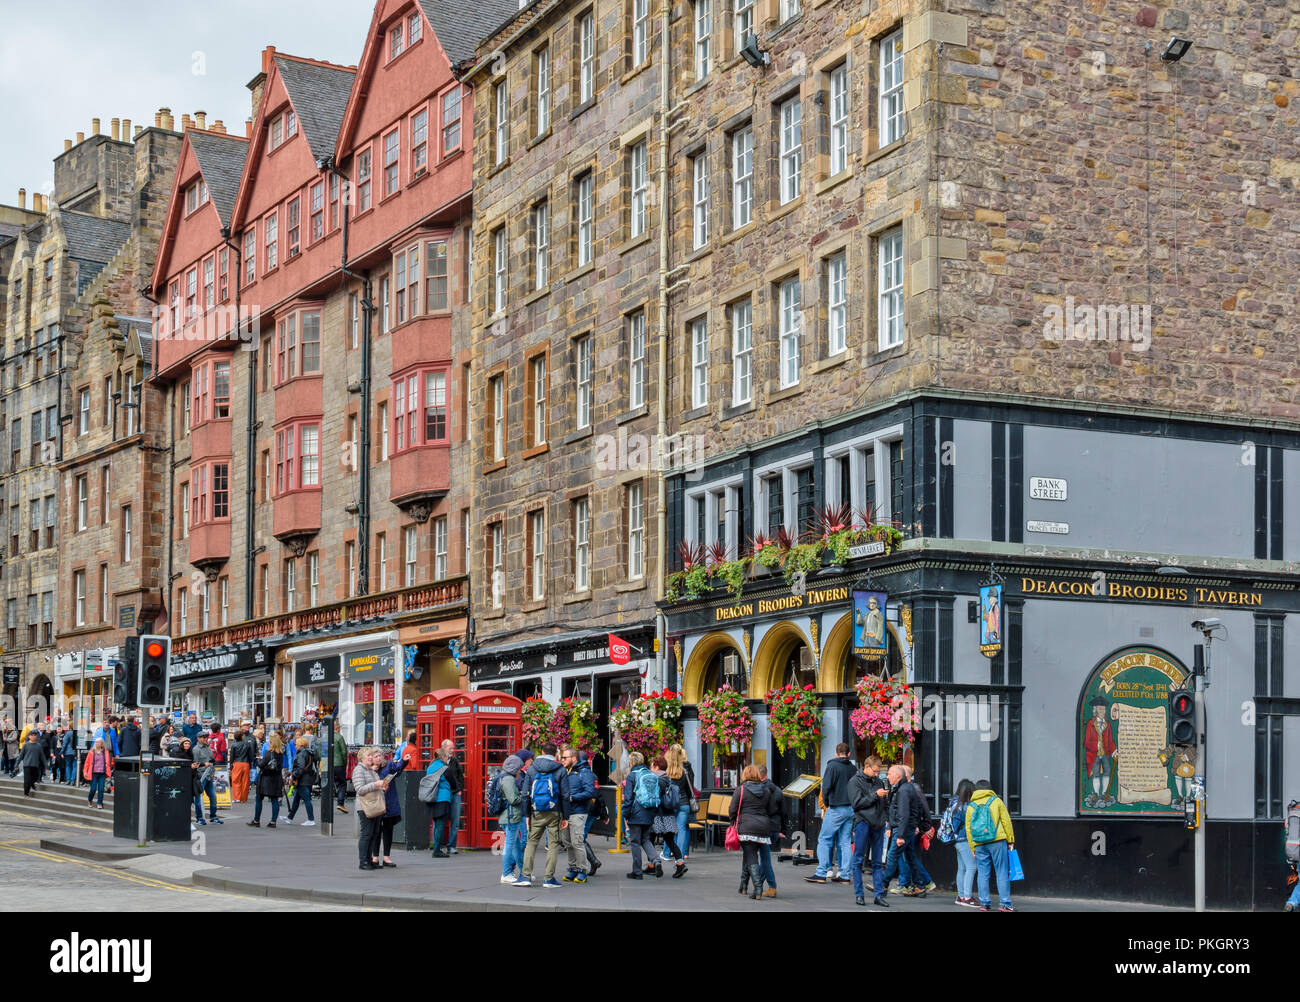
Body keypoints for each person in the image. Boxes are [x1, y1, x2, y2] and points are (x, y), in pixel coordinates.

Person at [516, 741, 571, 888]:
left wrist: (526, 814)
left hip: (536, 811)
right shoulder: (560, 769)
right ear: (555, 754)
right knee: (553, 845)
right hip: (555, 811)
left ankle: (525, 876)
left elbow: (525, 794)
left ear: (541, 752)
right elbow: (566, 795)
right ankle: (549, 879)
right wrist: (566, 816)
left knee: (531, 843)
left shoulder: (532, 769)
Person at [728, 764, 782, 900]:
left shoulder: (740, 790)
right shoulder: (766, 791)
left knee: (751, 855)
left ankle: (758, 888)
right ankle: (744, 885)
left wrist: (733, 822)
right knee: (749, 854)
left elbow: (732, 810)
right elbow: (771, 810)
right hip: (764, 828)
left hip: (747, 827)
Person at [806, 742, 857, 884]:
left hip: (836, 807)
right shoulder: (853, 768)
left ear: (836, 753)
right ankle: (845, 875)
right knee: (845, 842)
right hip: (850, 808)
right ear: (848, 754)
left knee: (824, 839)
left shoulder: (832, 766)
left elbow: (826, 787)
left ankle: (821, 873)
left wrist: (827, 804)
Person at [965, 779, 1015, 912]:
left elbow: (968, 829)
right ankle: (1005, 903)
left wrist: (972, 847)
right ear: (990, 789)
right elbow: (1006, 821)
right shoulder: (996, 801)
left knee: (983, 873)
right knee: (1002, 872)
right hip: (997, 841)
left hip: (979, 843)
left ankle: (985, 904)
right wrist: (1010, 840)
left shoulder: (971, 806)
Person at [849, 754, 890, 907]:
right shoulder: (854, 782)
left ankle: (878, 895)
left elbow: (885, 804)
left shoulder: (878, 781)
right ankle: (859, 894)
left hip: (878, 824)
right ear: (866, 767)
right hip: (863, 822)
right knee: (858, 859)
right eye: (875, 771)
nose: (877, 774)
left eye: (878, 772)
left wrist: (886, 819)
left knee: (878, 862)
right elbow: (857, 803)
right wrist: (875, 795)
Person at [620, 751, 664, 880]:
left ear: (631, 762)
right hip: (650, 810)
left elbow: (628, 798)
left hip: (636, 812)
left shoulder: (632, 776)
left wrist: (625, 814)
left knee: (635, 841)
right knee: (645, 838)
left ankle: (637, 872)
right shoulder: (651, 774)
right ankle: (656, 860)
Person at [351, 746, 390, 871]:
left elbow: (375, 787)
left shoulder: (372, 771)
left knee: (374, 834)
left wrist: (382, 787)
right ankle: (363, 861)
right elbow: (360, 789)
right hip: (365, 806)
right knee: (366, 834)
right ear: (362, 758)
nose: (371, 757)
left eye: (371, 755)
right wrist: (376, 784)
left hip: (375, 806)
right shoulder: (358, 770)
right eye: (369, 755)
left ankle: (369, 860)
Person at [560, 746, 596, 883]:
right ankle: (573, 868)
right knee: (568, 842)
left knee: (577, 842)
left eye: (565, 758)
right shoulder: (566, 771)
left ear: (573, 758)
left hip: (578, 811)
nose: (562, 760)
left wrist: (572, 797)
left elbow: (590, 792)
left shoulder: (585, 772)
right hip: (566, 812)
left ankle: (582, 870)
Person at [650, 755, 688, 876]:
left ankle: (653, 865)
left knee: (649, 840)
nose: (651, 768)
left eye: (652, 765)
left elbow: (654, 798)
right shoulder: (668, 779)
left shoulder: (657, 779)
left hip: (658, 815)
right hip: (669, 814)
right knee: (670, 840)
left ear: (656, 766)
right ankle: (680, 864)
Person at [497, 752, 529, 884]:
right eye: (519, 767)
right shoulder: (509, 779)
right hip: (510, 816)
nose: (520, 770)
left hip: (510, 816)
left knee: (516, 845)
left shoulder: (504, 777)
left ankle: (523, 871)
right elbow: (513, 799)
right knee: (509, 845)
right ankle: (506, 873)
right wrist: (525, 796)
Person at [944, 779, 977, 907]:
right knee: (971, 867)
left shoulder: (953, 803)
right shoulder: (967, 806)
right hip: (965, 839)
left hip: (956, 840)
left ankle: (961, 895)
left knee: (962, 868)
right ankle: (967, 897)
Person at [374, 750, 408, 867]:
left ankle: (386, 857)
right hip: (376, 804)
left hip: (389, 803)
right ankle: (375, 857)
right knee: (376, 832)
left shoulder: (388, 765)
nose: (379, 758)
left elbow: (398, 769)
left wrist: (404, 761)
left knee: (388, 830)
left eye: (380, 756)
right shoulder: (368, 770)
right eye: (376, 756)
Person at [665, 744, 696, 859]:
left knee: (669, 828)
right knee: (682, 829)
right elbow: (690, 789)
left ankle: (667, 853)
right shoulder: (685, 771)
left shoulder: (667, 771)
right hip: (684, 803)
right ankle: (680, 857)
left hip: (670, 803)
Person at [249, 732, 285, 828]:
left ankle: (256, 820)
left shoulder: (268, 753)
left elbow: (261, 765)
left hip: (265, 779)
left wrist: (258, 760)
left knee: (259, 799)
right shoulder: (281, 754)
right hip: (276, 779)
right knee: (274, 800)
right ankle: (273, 821)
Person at [756, 765, 782, 897]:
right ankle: (759, 884)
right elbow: (782, 810)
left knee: (765, 858)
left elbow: (766, 809)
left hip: (764, 826)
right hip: (774, 826)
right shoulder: (777, 789)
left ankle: (771, 886)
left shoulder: (761, 789)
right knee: (764, 856)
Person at [424, 747, 454, 859]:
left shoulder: (430, 767)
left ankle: (436, 847)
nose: (448, 759)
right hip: (442, 798)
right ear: (443, 757)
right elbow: (453, 782)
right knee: (440, 825)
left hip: (432, 798)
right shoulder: (445, 768)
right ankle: (436, 850)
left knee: (436, 824)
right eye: (447, 757)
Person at [438, 738, 465, 854]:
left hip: (455, 794)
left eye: (453, 748)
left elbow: (460, 776)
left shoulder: (454, 761)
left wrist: (460, 789)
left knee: (455, 821)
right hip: (442, 794)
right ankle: (437, 845)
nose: (453, 750)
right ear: (444, 748)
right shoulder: (438, 762)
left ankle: (451, 845)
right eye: (450, 748)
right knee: (440, 820)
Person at [190, 731, 222, 825]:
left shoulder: (208, 748)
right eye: (203, 737)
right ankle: (199, 818)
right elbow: (195, 764)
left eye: (206, 737)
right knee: (198, 797)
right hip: (201, 776)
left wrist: (213, 764)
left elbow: (212, 760)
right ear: (198, 738)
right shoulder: (196, 750)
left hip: (209, 776)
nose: (205, 739)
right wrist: (204, 766)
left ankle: (213, 816)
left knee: (213, 796)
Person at [286, 735, 318, 826]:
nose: (295, 746)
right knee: (296, 799)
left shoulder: (301, 754)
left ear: (300, 745)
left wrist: (293, 776)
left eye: (296, 744)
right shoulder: (309, 752)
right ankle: (289, 817)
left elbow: (300, 768)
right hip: (308, 778)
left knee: (307, 799)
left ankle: (311, 819)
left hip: (302, 780)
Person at [81, 737, 113, 808]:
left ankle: (99, 803)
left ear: (102, 744)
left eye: (99, 742)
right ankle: (90, 800)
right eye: (96, 742)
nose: (97, 743)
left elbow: (108, 762)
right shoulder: (91, 752)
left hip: (102, 773)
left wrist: (109, 769)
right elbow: (87, 763)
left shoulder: (105, 752)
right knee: (93, 789)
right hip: (93, 773)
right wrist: (85, 771)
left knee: (101, 789)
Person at [228, 726, 254, 802]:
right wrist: (250, 764)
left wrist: (230, 766)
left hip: (237, 763)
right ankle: (243, 798)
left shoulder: (233, 745)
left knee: (236, 781)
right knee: (245, 782)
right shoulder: (247, 744)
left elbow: (232, 756)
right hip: (246, 763)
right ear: (241, 736)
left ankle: (236, 798)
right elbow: (251, 755)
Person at [330, 727, 349, 813]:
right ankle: (340, 803)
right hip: (338, 764)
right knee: (343, 783)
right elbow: (344, 752)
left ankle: (327, 805)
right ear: (337, 728)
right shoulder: (339, 737)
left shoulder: (325, 737)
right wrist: (345, 763)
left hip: (327, 765)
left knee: (328, 784)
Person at [19, 732, 44, 796]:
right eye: (32, 735)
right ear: (29, 736)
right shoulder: (25, 745)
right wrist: (16, 764)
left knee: (35, 778)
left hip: (35, 765)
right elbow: (21, 755)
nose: (33, 736)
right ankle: (26, 793)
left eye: (35, 735)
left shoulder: (38, 745)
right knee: (27, 780)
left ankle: (32, 784)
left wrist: (45, 764)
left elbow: (42, 756)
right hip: (27, 765)